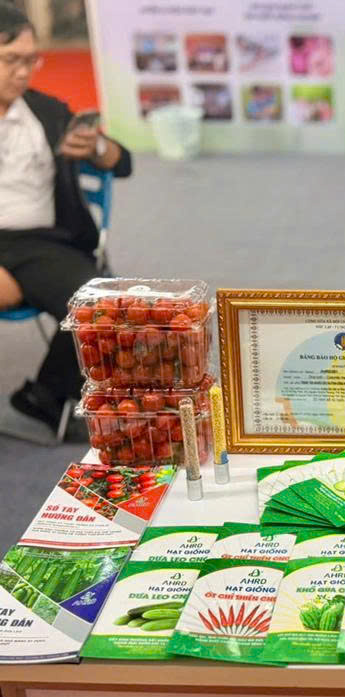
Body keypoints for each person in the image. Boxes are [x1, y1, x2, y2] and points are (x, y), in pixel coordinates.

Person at [0, 2, 132, 434]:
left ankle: (45, 395)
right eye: (11, 60)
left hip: (39, 243)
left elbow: (122, 162)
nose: (23, 72)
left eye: (30, 60)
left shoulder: (46, 112)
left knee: (100, 302)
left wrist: (96, 148)